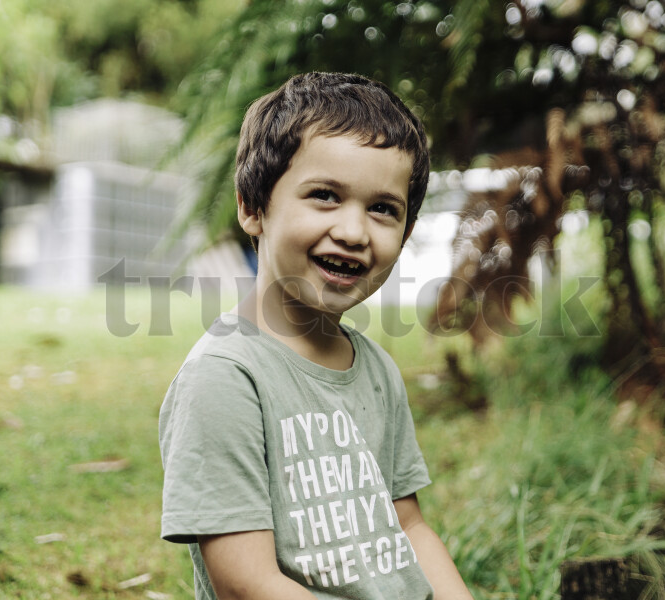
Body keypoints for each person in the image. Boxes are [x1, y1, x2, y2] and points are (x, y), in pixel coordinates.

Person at [159, 72, 474, 600]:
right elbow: (246, 583)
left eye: (382, 209)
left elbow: (410, 527)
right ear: (252, 208)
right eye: (325, 196)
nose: (353, 232)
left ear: (406, 234)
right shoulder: (225, 378)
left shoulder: (374, 369)